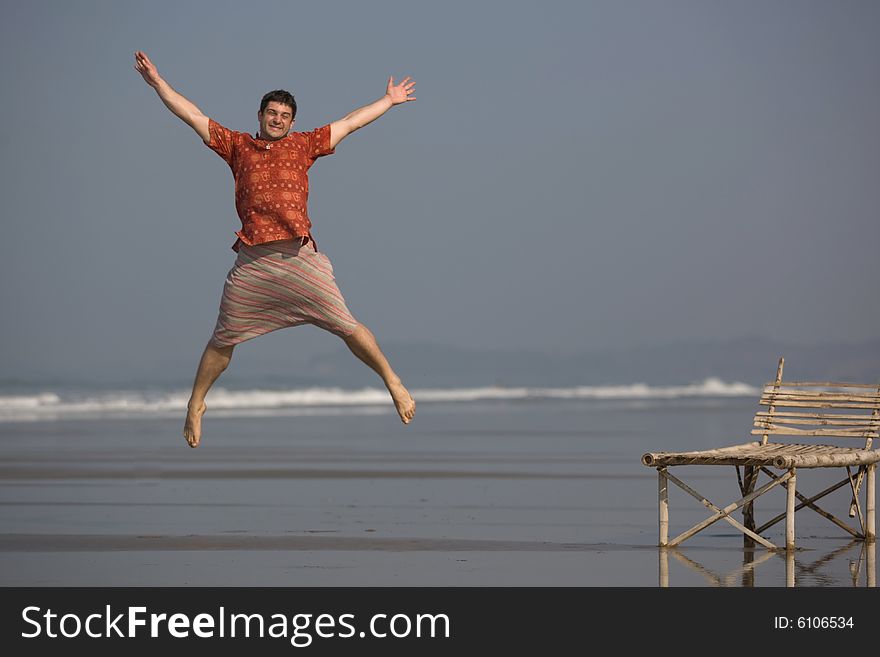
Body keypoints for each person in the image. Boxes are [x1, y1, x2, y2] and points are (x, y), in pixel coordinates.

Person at [133, 51, 416, 448]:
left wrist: (388, 101)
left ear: (292, 121)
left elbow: (350, 123)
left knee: (347, 325)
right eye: (271, 112)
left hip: (299, 258)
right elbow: (192, 115)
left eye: (284, 114)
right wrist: (159, 83)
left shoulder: (304, 145)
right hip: (253, 262)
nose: (277, 119)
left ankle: (393, 382)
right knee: (223, 339)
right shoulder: (237, 146)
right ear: (261, 115)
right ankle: (196, 404)